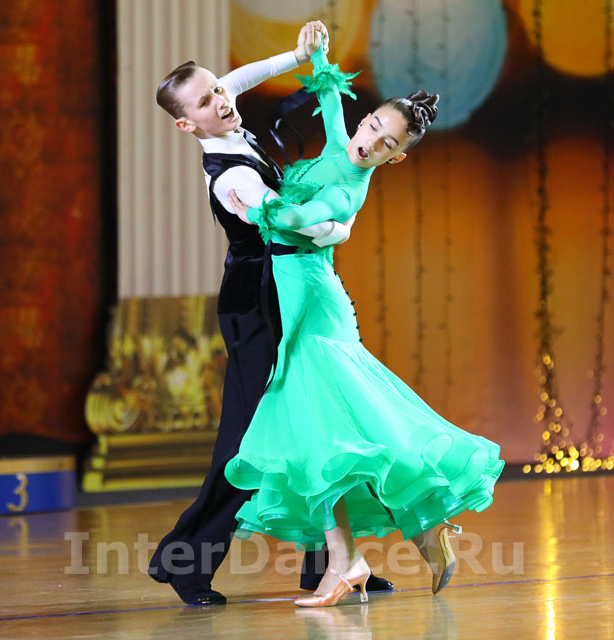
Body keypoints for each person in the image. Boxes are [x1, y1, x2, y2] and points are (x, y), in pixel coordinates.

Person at [224, 38, 505, 607]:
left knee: (321, 433)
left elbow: (299, 216)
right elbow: (330, 97)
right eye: (373, 126)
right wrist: (318, 54)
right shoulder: (341, 144)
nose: (369, 141)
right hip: (299, 297)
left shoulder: (349, 190)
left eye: (386, 143)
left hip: (313, 302)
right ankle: (407, 534)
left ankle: (354, 557)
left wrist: (252, 209)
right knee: (328, 435)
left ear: (395, 158)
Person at [148, 22, 394, 606]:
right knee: (248, 439)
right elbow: (290, 222)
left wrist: (298, 54)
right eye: (205, 101)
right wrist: (342, 228)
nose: (221, 99)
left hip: (283, 289)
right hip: (257, 304)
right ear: (187, 125)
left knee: (316, 421)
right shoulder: (231, 175)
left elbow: (237, 79)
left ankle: (330, 565)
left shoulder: (225, 116)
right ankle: (186, 564)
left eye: (217, 89)